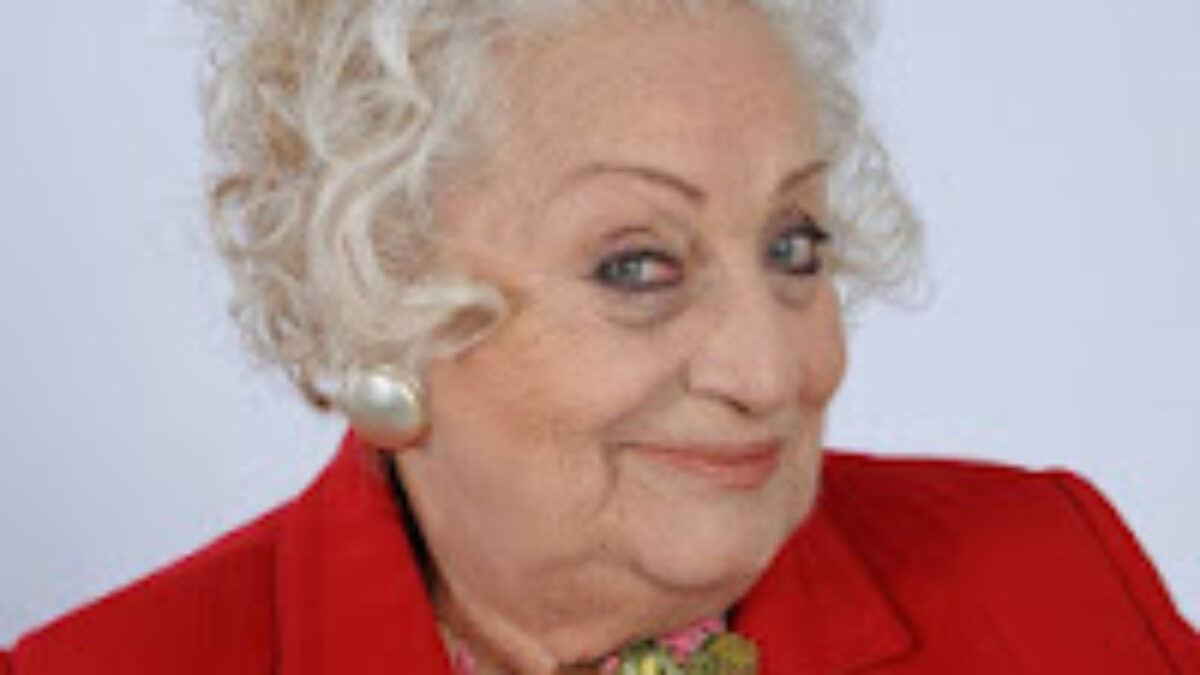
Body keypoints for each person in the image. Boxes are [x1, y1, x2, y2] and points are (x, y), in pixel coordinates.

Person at [3, 0, 1198, 673]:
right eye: (637, 266)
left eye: (794, 245)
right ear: (381, 291)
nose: (770, 371)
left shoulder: (1049, 575)